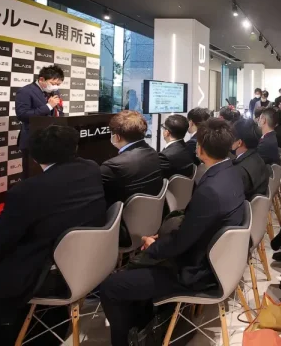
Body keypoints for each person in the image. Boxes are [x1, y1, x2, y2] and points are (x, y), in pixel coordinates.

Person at [0, 125, 106, 345]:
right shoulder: (91, 169)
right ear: (74, 148)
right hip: (91, 264)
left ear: (33, 156)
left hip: (49, 276)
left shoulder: (27, 190)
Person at [100, 118, 245, 346]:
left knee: (111, 286)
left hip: (196, 271)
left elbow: (181, 243)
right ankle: (141, 328)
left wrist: (153, 247)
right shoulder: (232, 174)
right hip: (217, 260)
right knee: (136, 270)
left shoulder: (211, 189)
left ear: (200, 148)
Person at [101, 111, 163, 208]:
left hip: (121, 214)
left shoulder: (112, 166)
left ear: (117, 137)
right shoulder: (154, 153)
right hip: (151, 211)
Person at [15, 65, 65, 180]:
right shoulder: (25, 91)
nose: (55, 87)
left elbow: (58, 111)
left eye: (58, 84)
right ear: (42, 79)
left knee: (51, 176)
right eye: (53, 83)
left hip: (52, 139)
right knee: (32, 175)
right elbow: (22, 115)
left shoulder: (54, 92)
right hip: (33, 140)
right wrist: (48, 106)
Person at [232, 119, 271, 199]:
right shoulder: (258, 157)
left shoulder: (240, 170)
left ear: (239, 142)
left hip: (246, 204)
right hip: (257, 204)